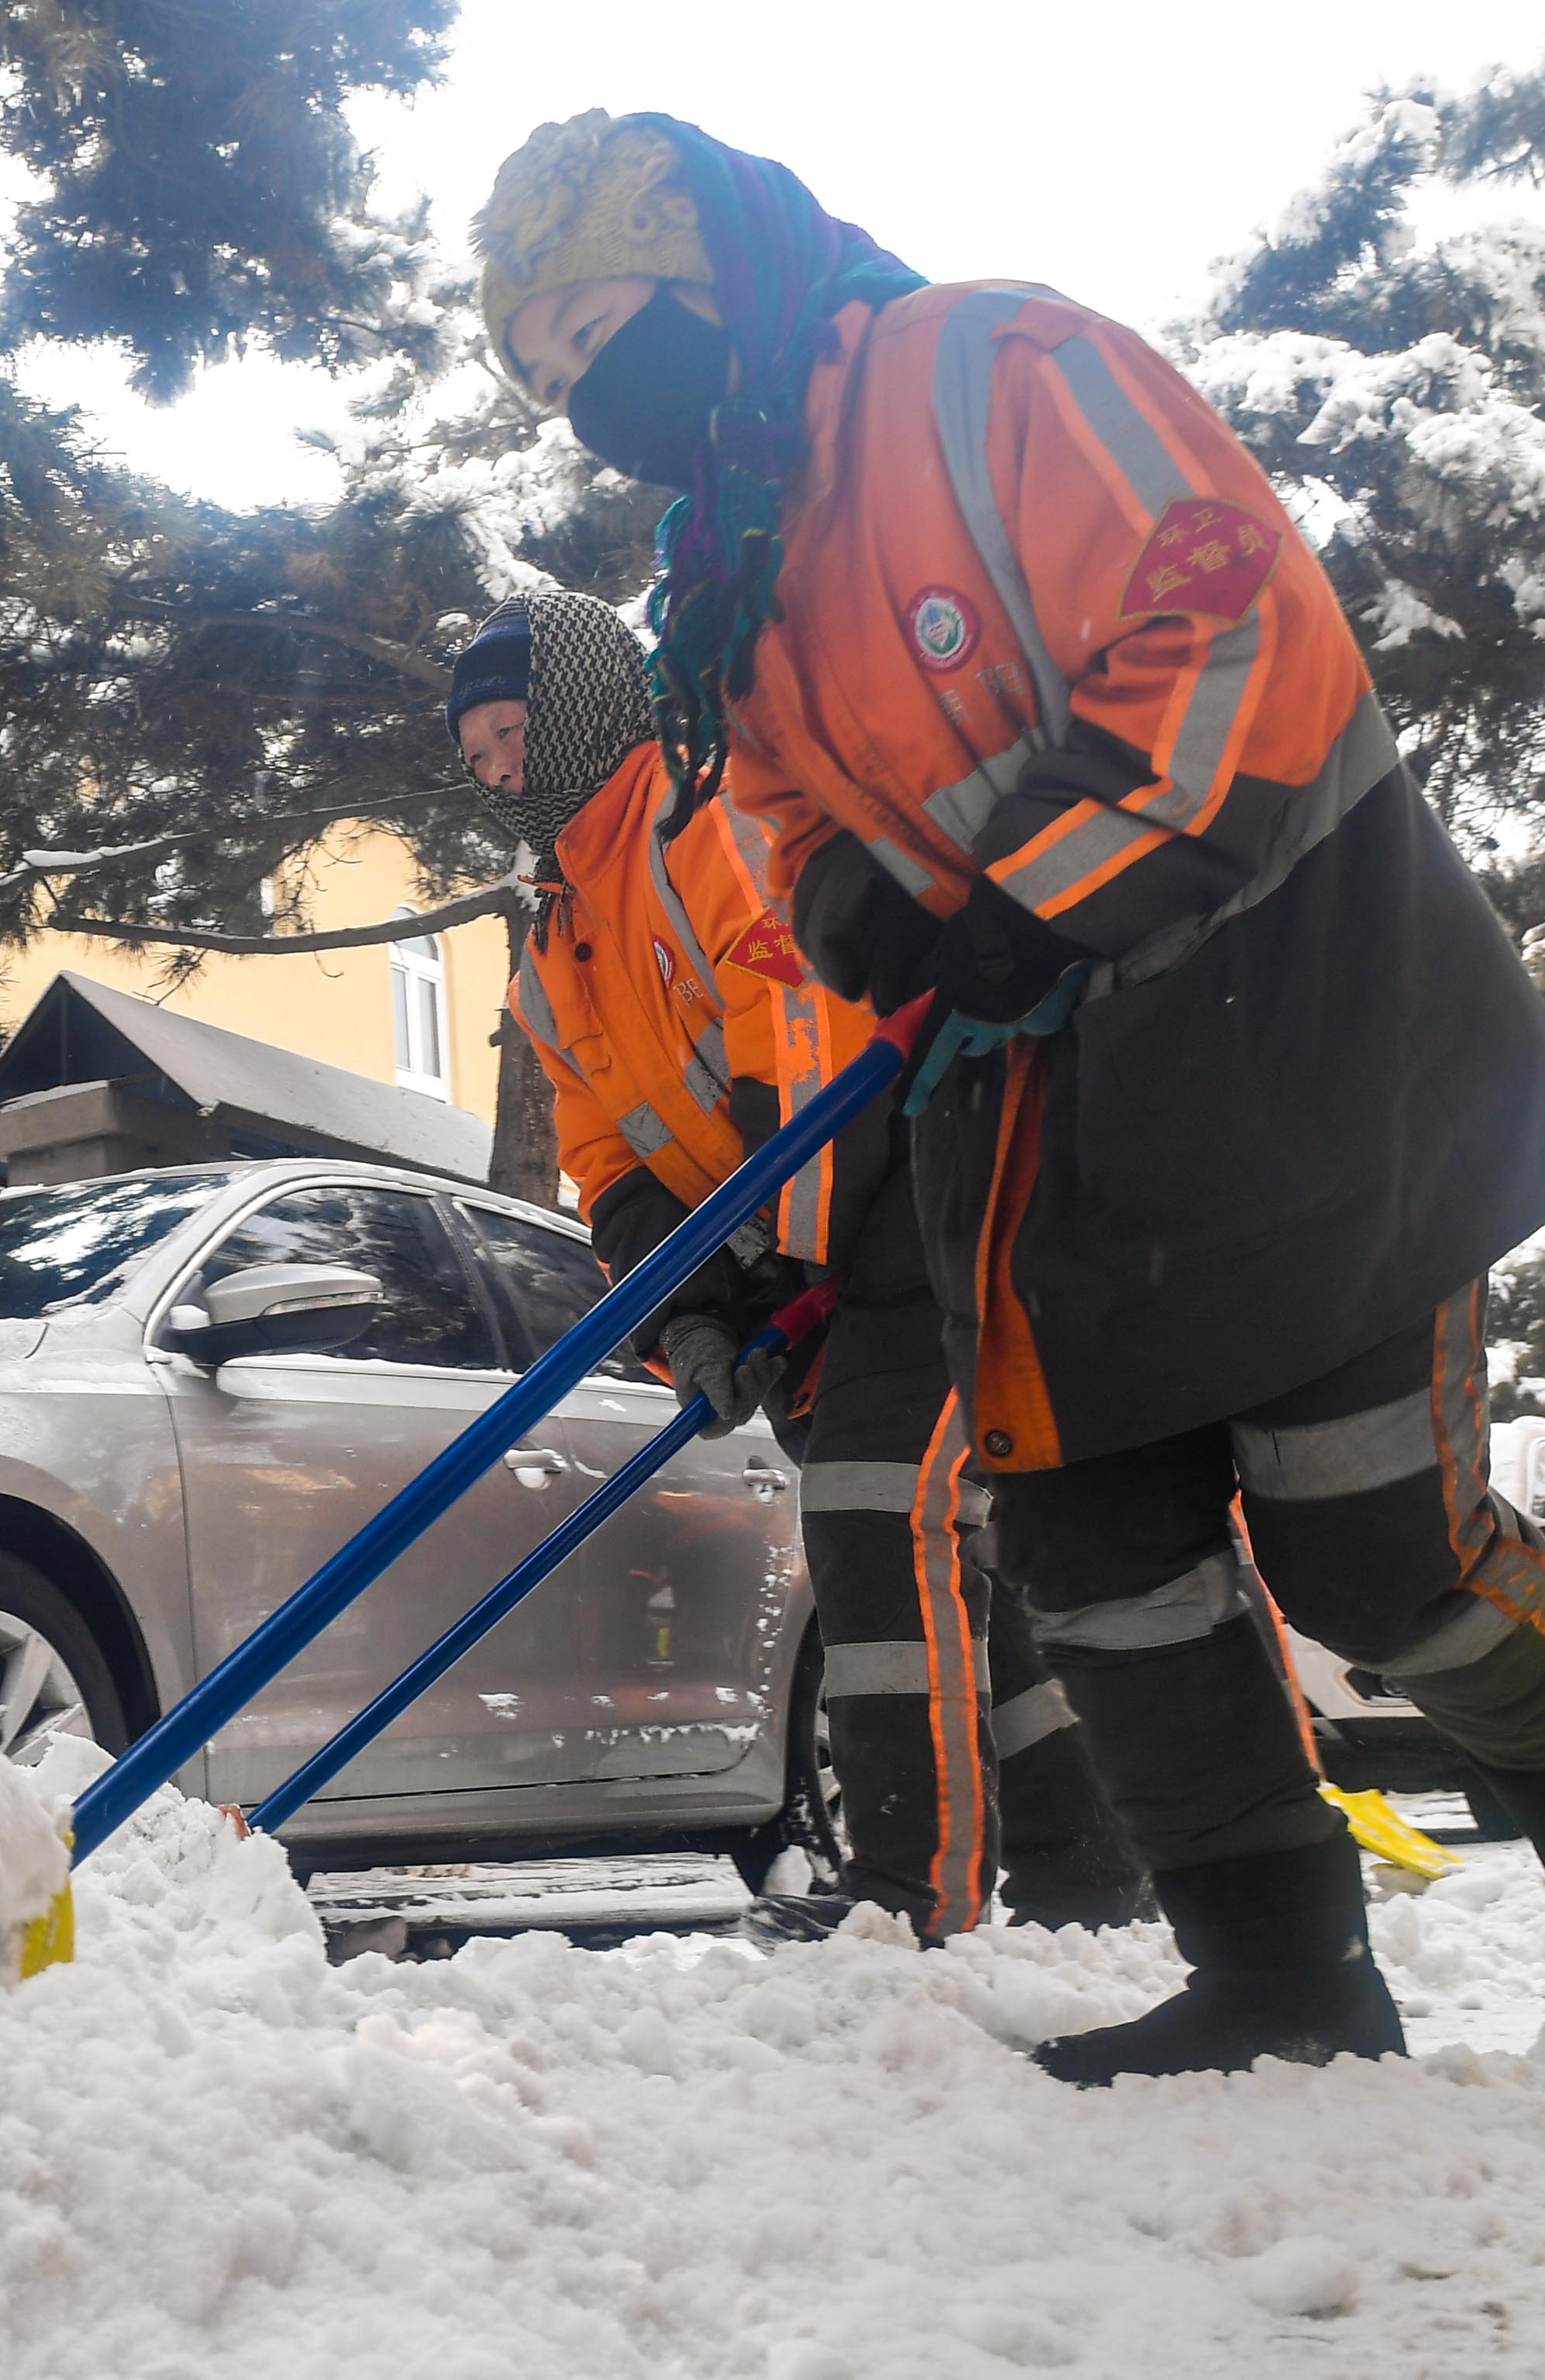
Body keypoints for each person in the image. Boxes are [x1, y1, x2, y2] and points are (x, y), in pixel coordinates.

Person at [468, 111, 1545, 2082]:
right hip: (1033, 1115)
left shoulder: (990, 370)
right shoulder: (739, 566)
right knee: (1093, 1539)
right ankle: (1278, 1968)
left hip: (1279, 1032)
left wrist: (1034, 892)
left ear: (713, 262)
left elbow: (1231, 621)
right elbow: (777, 822)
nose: (583, 398)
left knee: (1378, 1547)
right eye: (543, 380)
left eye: (598, 328)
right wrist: (854, 904)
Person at [457, 593, 1146, 1940]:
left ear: (590, 706)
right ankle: (1083, 1867)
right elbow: (609, 1161)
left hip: (915, 1199)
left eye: (509, 729)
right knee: (956, 1563)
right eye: (474, 748)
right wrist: (695, 1310)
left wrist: (790, 1257)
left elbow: (807, 1038)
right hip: (802, 1265)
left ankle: (909, 1897)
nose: (493, 768)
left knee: (876, 1518)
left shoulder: (699, 821)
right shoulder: (546, 950)